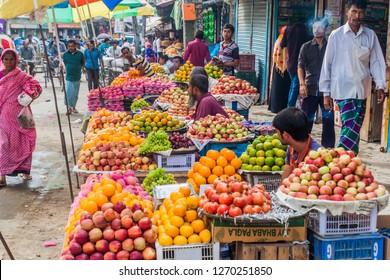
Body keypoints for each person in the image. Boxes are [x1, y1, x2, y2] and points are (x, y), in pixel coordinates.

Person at [319, 0, 387, 154]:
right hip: (342, 91)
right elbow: (327, 65)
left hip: (362, 92)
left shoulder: (370, 36)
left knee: (354, 130)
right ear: (347, 11)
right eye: (355, 11)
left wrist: (381, 85)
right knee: (349, 128)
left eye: (361, 12)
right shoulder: (336, 36)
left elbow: (376, 61)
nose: (358, 16)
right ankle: (341, 160)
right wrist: (326, 92)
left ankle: (350, 162)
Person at [0, 49, 42, 187]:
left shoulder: (21, 75)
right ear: (2, 60)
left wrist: (28, 94)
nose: (9, 62)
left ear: (16, 60)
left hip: (21, 115)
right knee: (4, 144)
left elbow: (36, 87)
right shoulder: (0, 75)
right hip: (4, 116)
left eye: (11, 59)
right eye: (6, 59)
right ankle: (2, 175)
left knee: (23, 141)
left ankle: (24, 170)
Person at [298, 19, 335, 148]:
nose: (316, 30)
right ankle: (303, 146)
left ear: (325, 30)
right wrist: (302, 84)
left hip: (328, 91)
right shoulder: (306, 47)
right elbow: (300, 66)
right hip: (310, 88)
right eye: (314, 27)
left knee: (328, 120)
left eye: (319, 27)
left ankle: (328, 149)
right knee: (306, 120)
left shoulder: (331, 45)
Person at [272, 108, 322, 180]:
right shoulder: (291, 148)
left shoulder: (317, 155)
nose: (276, 135)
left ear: (285, 135)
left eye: (277, 132)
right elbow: (285, 178)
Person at [280, 19, 309, 108]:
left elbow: (282, 44)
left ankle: (291, 106)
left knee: (293, 85)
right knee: (295, 86)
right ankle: (290, 107)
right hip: (300, 64)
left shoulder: (288, 30)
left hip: (290, 63)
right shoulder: (304, 30)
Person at [268, 26, 290, 114]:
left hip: (279, 66)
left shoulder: (279, 39)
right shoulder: (282, 41)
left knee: (279, 87)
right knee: (280, 88)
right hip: (281, 66)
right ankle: (279, 107)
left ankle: (277, 107)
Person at [61, 40, 85, 115]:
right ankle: (68, 108)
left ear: (75, 46)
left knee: (75, 94)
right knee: (68, 92)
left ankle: (73, 107)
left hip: (77, 76)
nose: (70, 48)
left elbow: (82, 63)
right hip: (69, 76)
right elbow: (64, 62)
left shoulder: (80, 54)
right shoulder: (65, 54)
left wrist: (82, 69)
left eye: (72, 46)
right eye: (69, 46)